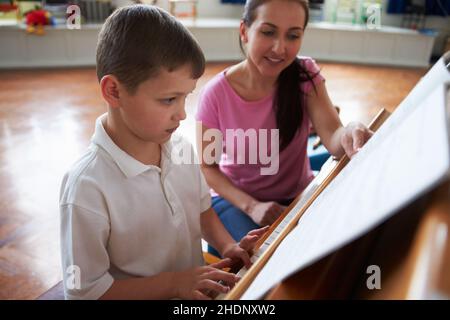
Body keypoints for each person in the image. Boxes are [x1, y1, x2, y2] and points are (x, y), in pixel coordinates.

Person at [59, 4, 268, 300]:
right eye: (169, 99)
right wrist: (174, 284)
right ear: (114, 91)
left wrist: (229, 247)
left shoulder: (180, 149)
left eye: (185, 98)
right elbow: (86, 292)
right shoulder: (85, 187)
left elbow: (202, 212)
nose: (182, 114)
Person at [196, 0, 373, 255]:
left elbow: (334, 136)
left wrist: (352, 130)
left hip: (298, 195)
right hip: (236, 200)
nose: (280, 48)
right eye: (268, 32)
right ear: (244, 31)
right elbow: (207, 168)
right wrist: (252, 206)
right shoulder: (214, 95)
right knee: (265, 257)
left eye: (293, 35)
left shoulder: (305, 73)